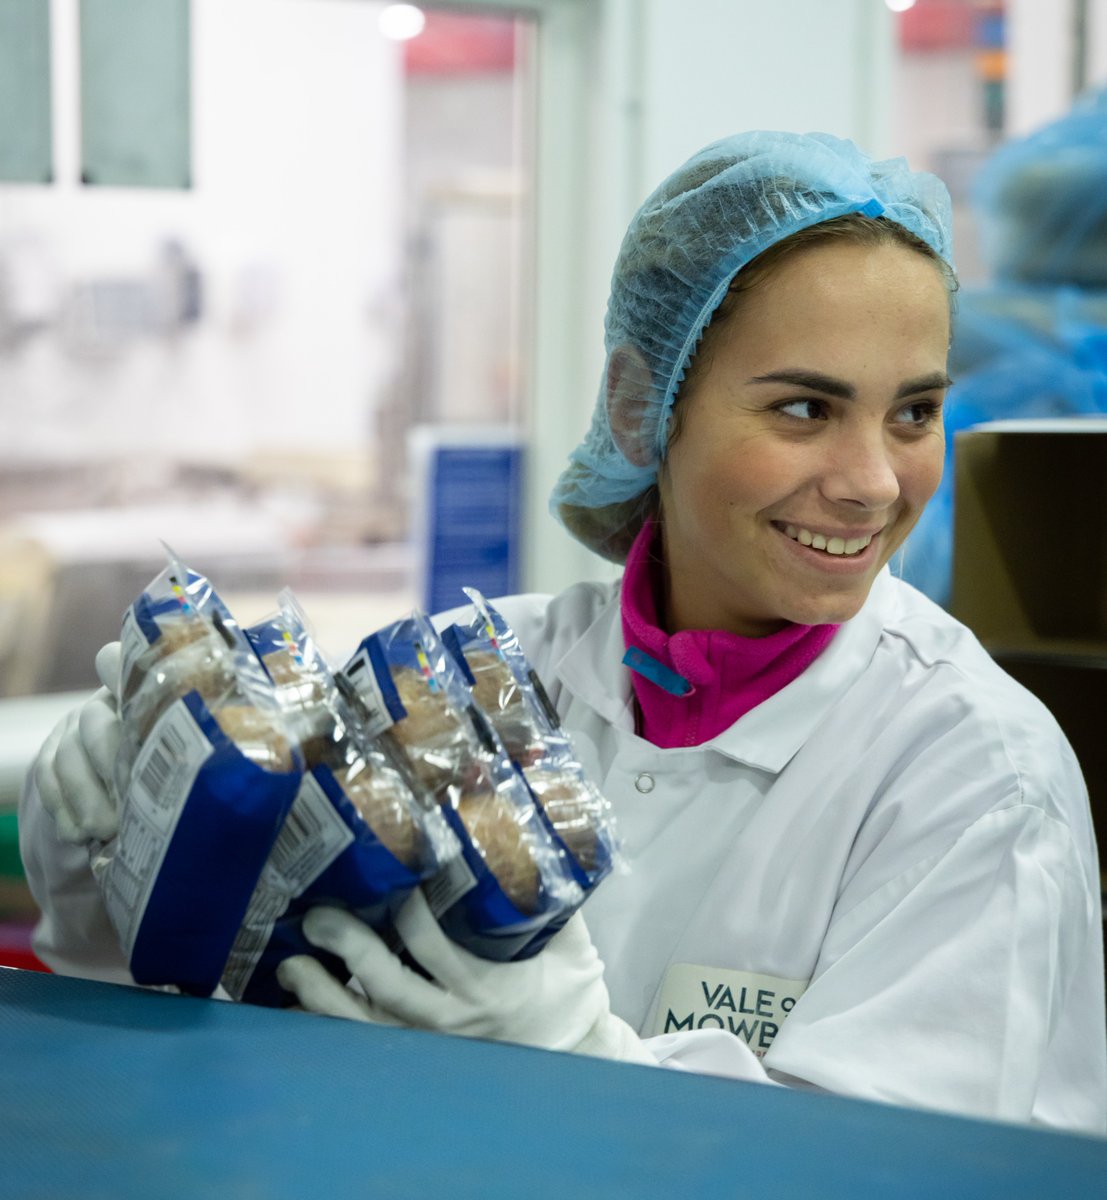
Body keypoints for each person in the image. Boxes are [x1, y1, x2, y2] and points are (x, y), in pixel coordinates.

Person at [20, 131, 1106, 1133]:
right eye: (805, 409)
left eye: (913, 412)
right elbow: (221, 1043)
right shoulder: (457, 684)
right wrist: (109, 873)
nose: (875, 482)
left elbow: (895, 1175)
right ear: (642, 407)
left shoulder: (975, 778)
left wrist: (581, 1059)